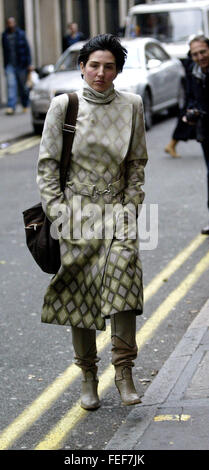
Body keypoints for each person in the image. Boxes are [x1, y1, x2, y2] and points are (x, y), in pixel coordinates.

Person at [36, 34, 148, 409]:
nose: (101, 73)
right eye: (94, 65)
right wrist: (58, 215)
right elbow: (48, 166)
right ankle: (87, 377)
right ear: (82, 67)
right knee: (80, 295)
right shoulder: (63, 106)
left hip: (119, 212)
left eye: (109, 66)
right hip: (75, 214)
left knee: (124, 287)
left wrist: (131, 206)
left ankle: (124, 371)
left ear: (118, 71)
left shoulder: (132, 105)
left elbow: (136, 163)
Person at [184, 34, 209, 235]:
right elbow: (190, 98)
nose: (200, 57)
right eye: (195, 54)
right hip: (206, 131)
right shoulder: (193, 73)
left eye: (203, 52)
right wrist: (191, 112)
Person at [164, 52, 196, 159]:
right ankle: (171, 145)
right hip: (193, 98)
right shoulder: (194, 64)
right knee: (186, 119)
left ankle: (171, 145)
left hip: (193, 97)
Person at [2, 17, 32, 115]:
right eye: (8, 23)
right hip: (10, 65)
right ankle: (11, 106)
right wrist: (5, 65)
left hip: (21, 64)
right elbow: (4, 52)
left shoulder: (21, 34)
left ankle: (25, 104)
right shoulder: (4, 35)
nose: (10, 24)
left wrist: (29, 63)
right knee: (11, 85)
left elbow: (27, 49)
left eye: (11, 22)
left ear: (14, 23)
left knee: (22, 86)